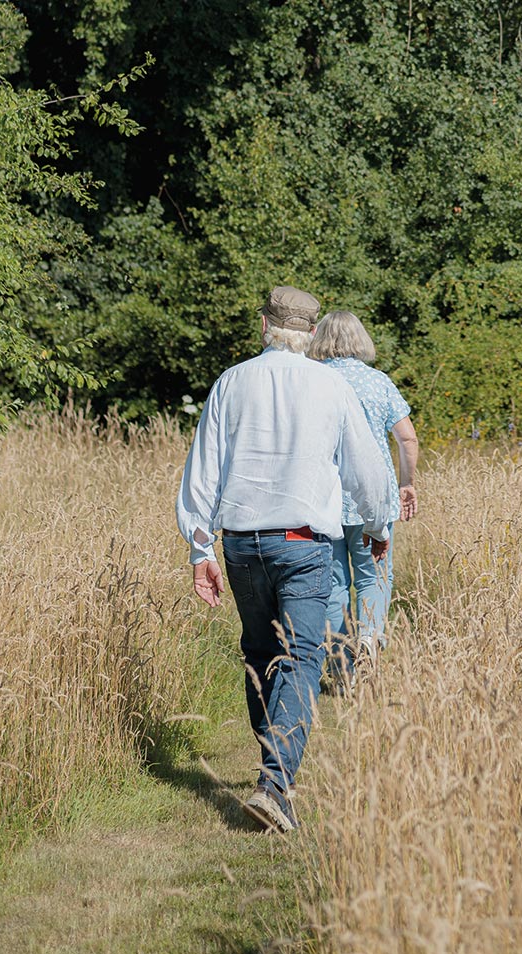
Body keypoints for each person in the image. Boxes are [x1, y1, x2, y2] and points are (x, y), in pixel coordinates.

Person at [175, 286, 395, 834]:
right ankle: (274, 783)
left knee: (259, 649)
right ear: (312, 335)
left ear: (265, 326)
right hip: (302, 543)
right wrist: (376, 526)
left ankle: (274, 774)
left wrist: (200, 549)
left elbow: (203, 469)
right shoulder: (331, 385)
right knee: (300, 656)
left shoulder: (232, 382)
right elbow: (367, 468)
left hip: (242, 543)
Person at [308, 310, 419, 684]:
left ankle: (341, 668)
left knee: (334, 582)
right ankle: (369, 640)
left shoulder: (312, 382)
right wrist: (407, 483)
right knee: (373, 575)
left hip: (325, 499)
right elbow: (407, 438)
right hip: (373, 499)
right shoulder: (378, 382)